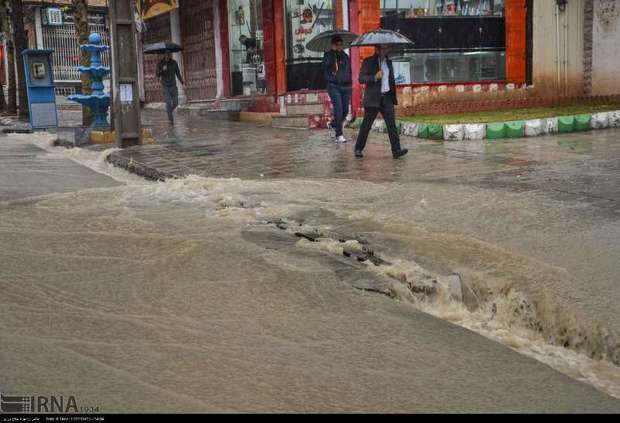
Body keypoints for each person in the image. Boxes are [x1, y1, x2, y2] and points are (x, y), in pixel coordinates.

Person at [354, 45, 408, 159]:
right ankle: (358, 148)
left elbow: (390, 79)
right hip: (373, 98)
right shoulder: (368, 61)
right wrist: (374, 77)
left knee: (391, 124)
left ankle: (396, 150)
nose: (385, 51)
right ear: (377, 50)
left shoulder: (389, 62)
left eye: (386, 48)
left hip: (387, 97)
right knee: (366, 125)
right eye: (383, 49)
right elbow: (361, 78)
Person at [322, 36, 352, 144]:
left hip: (346, 86)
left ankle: (333, 125)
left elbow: (349, 70)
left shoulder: (345, 56)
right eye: (337, 44)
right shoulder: (328, 55)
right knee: (338, 110)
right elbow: (324, 66)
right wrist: (332, 53)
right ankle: (339, 135)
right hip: (333, 86)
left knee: (345, 111)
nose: (339, 46)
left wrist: (350, 83)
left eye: (341, 44)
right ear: (333, 45)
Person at [156, 51, 184, 125]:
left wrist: (183, 83)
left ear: (170, 54)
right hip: (165, 86)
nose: (168, 55)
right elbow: (157, 74)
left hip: (173, 86)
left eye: (169, 54)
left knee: (176, 103)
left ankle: (169, 111)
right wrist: (163, 70)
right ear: (164, 55)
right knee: (168, 103)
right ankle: (171, 122)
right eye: (166, 54)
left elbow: (178, 74)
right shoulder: (160, 64)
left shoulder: (174, 63)